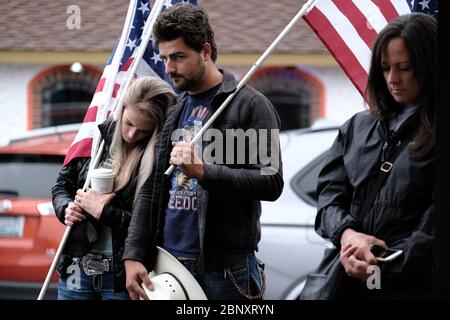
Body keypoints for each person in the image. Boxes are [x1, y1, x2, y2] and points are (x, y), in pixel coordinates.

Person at [122, 4, 283, 300]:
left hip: (225, 267)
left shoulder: (248, 105)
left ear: (206, 51)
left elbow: (271, 182)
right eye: (166, 58)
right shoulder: (175, 109)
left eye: (179, 57)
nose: (169, 68)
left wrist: (205, 172)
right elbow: (151, 189)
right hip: (168, 263)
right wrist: (132, 254)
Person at [313, 13, 436, 299]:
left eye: (405, 68)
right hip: (351, 278)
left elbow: (433, 229)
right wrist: (348, 236)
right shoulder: (358, 126)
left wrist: (379, 270)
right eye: (384, 68)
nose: (393, 79)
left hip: (413, 285)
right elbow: (328, 197)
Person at [51, 76, 176, 300]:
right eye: (129, 124)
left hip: (120, 276)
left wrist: (104, 211)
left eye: (143, 131)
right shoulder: (94, 140)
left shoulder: (160, 159)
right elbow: (62, 185)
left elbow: (152, 226)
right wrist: (66, 208)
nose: (131, 135)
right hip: (75, 269)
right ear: (121, 110)